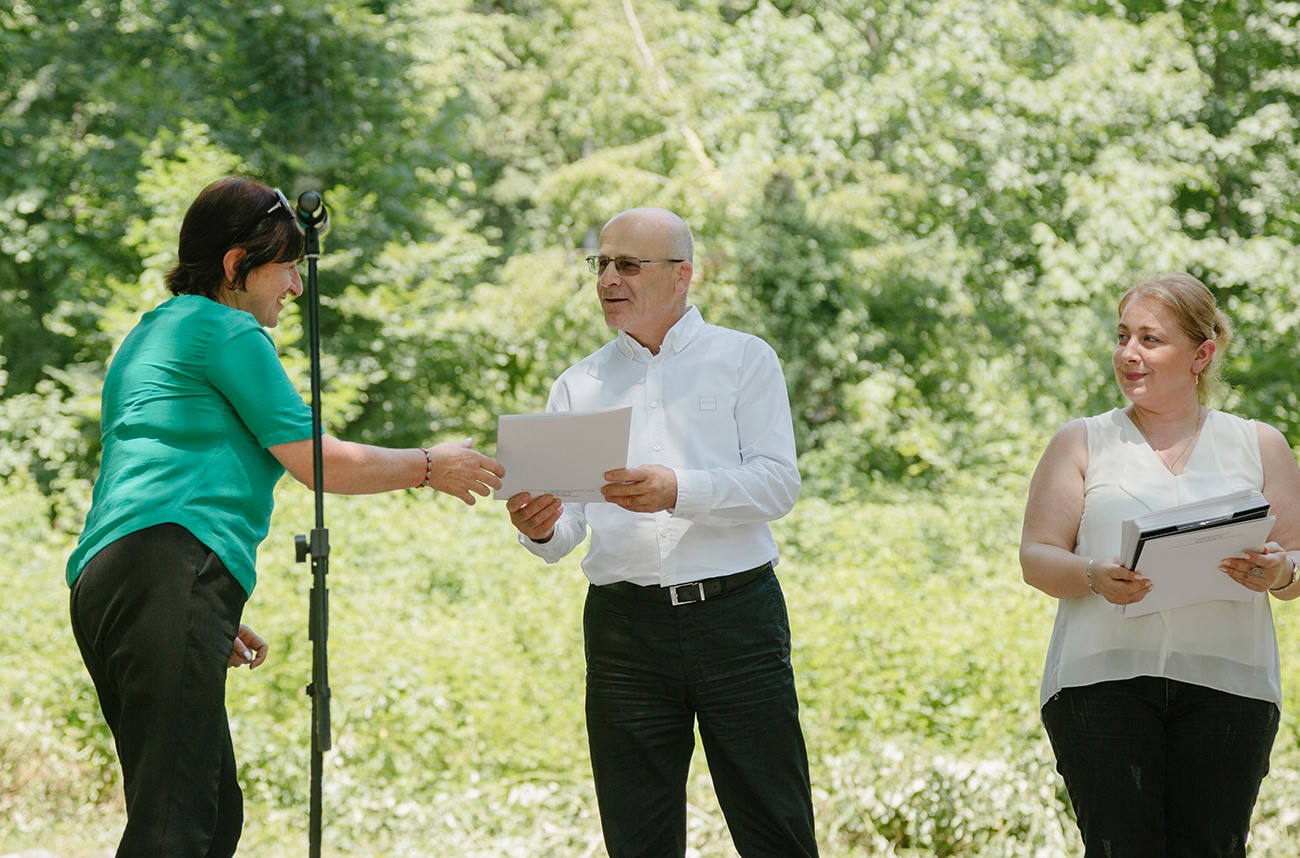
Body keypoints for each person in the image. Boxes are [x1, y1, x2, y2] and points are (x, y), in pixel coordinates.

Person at [66, 176, 505, 858]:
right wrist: (429, 465)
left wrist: (196, 606)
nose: (297, 287)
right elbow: (319, 462)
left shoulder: (151, 332)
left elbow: (154, 474)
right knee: (176, 826)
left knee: (211, 814)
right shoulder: (226, 330)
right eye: (286, 267)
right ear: (236, 264)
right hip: (166, 570)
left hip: (114, 579)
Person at [505, 207, 818, 857]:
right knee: (636, 840)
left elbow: (777, 485)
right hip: (624, 633)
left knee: (777, 831)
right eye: (601, 264)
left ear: (682, 275)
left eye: (627, 265)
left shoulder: (744, 359)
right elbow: (567, 529)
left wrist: (679, 490)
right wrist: (539, 528)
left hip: (737, 621)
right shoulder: (578, 385)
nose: (607, 280)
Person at [1019, 272, 1300, 856]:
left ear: (1202, 355)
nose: (1129, 353)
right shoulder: (1081, 441)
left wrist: (1281, 572)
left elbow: (1296, 559)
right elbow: (1037, 557)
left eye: (1150, 339)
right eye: (1123, 336)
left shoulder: (1260, 444)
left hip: (1230, 685)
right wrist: (1094, 575)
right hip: (1100, 685)